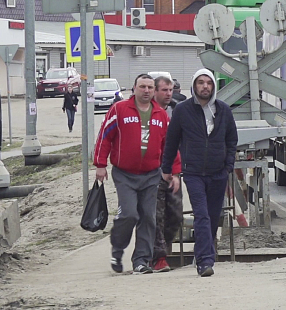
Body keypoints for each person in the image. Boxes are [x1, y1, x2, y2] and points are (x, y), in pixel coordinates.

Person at [161, 68, 237, 278]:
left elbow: (231, 140)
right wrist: (168, 169)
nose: (205, 86)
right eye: (200, 82)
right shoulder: (183, 110)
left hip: (218, 172)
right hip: (193, 172)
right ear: (194, 86)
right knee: (201, 215)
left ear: (213, 86)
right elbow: (172, 140)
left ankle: (203, 253)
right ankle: (205, 262)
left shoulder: (223, 110)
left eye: (209, 83)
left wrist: (228, 165)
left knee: (212, 217)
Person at [94, 73, 169, 275]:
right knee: (129, 214)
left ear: (154, 91)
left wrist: (173, 171)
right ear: (134, 88)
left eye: (150, 87)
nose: (146, 91)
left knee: (148, 217)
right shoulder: (119, 109)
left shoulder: (161, 114)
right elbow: (105, 137)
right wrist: (100, 164)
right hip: (124, 174)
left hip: (151, 174)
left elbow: (168, 146)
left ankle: (141, 261)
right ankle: (117, 250)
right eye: (142, 86)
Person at [150, 76, 183, 273]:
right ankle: (157, 257)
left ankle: (164, 249)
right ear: (155, 91)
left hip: (172, 170)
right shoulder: (147, 110)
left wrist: (176, 172)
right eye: (164, 90)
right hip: (152, 172)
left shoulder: (177, 109)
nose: (169, 93)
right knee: (155, 215)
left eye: (171, 89)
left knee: (175, 213)